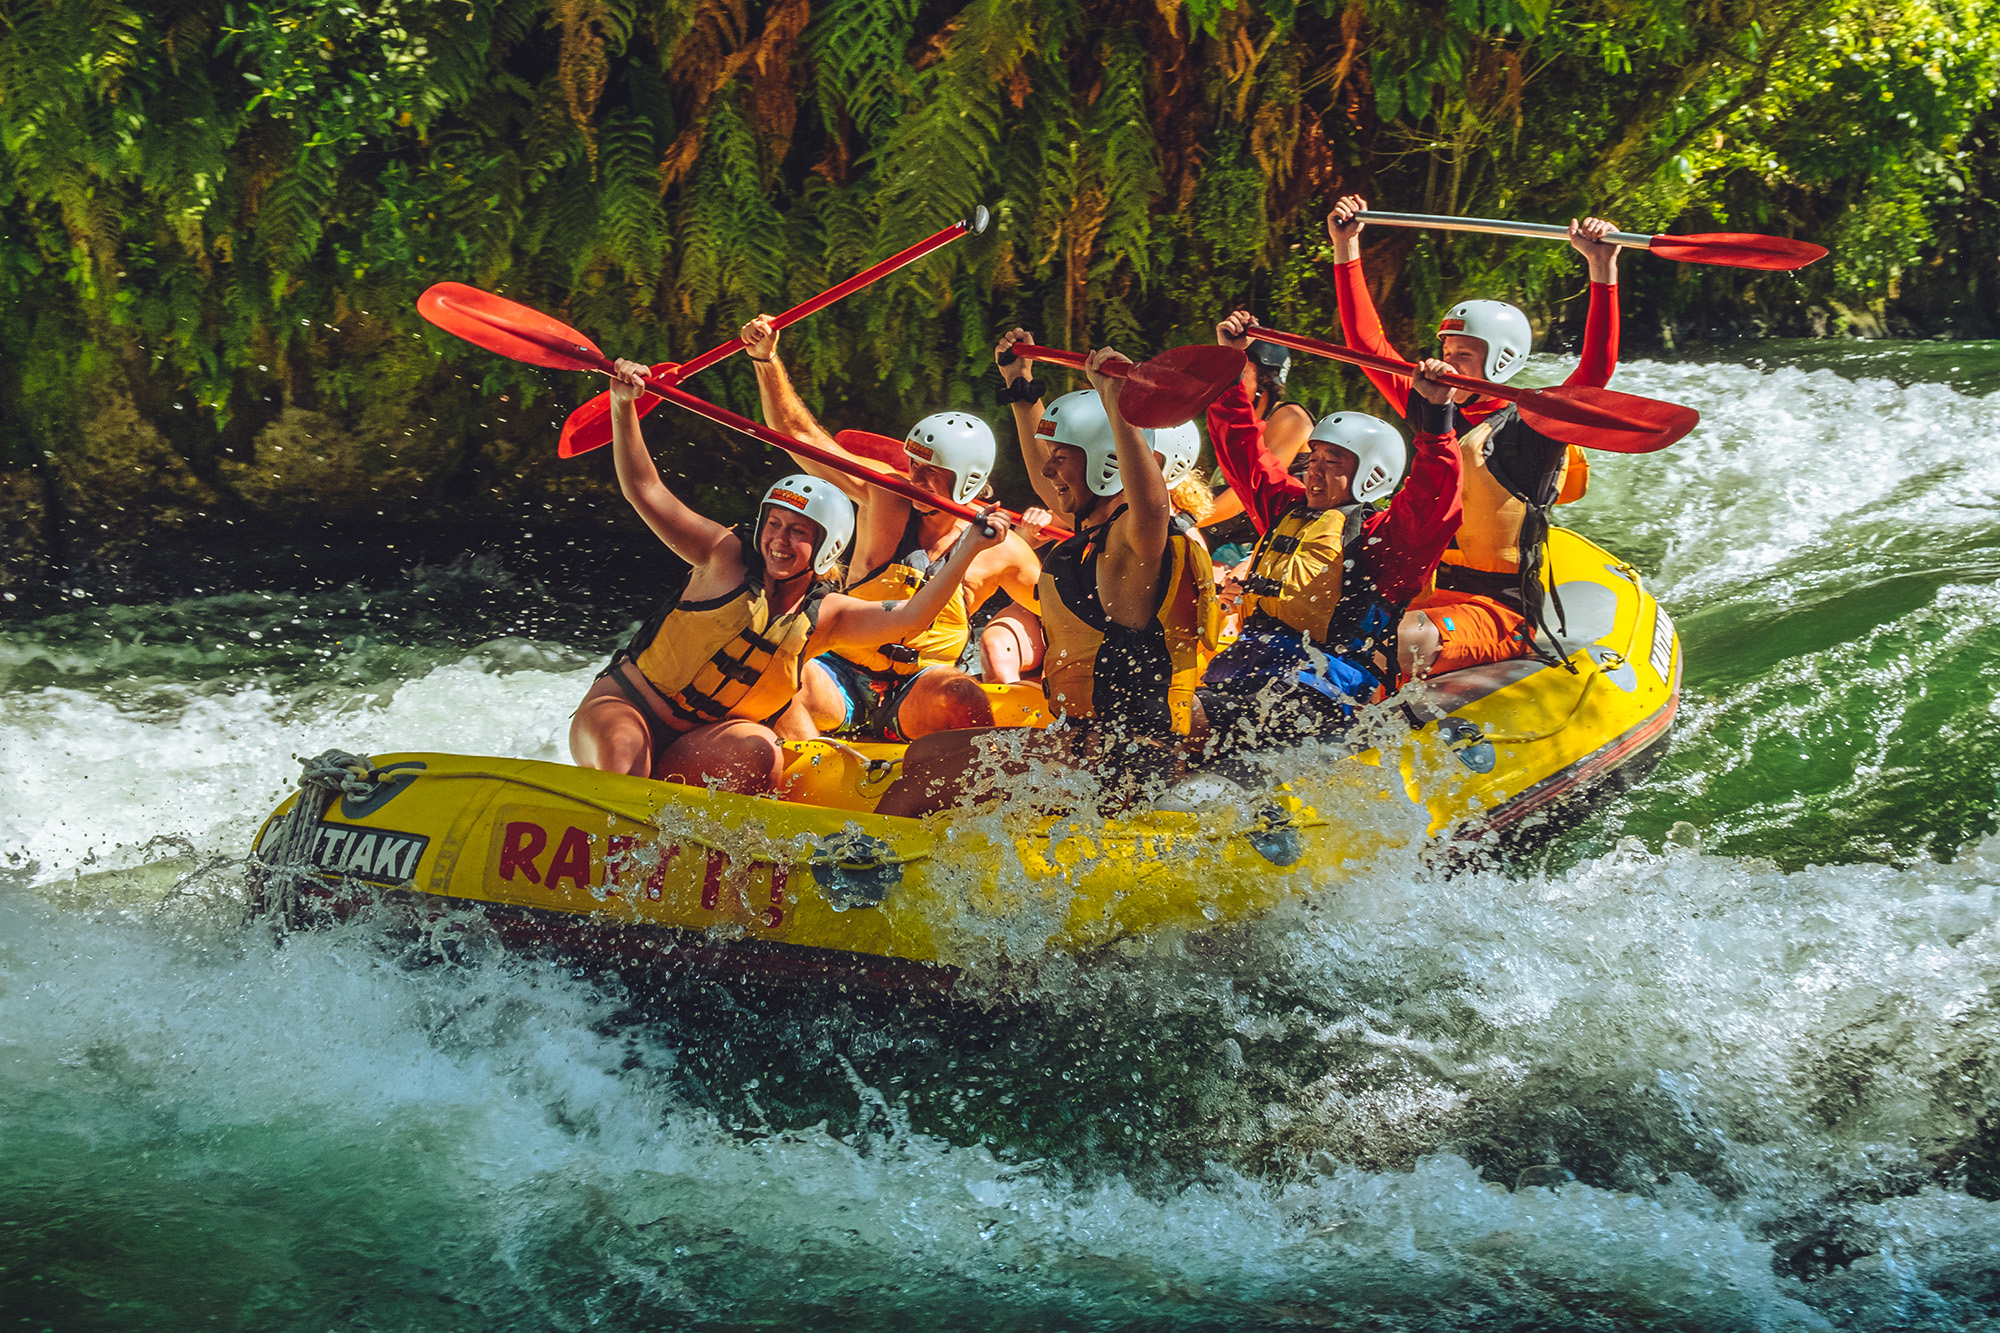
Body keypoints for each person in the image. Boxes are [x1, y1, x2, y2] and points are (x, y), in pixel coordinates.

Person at [570, 359, 1011, 794]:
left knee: (759, 753)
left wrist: (969, 547)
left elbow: (913, 617)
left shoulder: (827, 614)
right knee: (626, 752)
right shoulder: (723, 557)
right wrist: (623, 406)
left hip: (700, 738)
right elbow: (645, 490)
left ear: (828, 547)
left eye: (799, 532)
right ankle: (614, 809)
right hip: (632, 708)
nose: (778, 541)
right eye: (773, 524)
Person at [876, 345, 1217, 817]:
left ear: (1105, 462)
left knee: (913, 791)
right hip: (1083, 741)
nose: (1048, 469)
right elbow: (1046, 480)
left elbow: (1154, 507)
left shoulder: (1135, 540)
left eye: (1061, 457)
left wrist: (1116, 402)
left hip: (1124, 762)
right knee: (923, 753)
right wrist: (1021, 389)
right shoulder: (1093, 527)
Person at [1326, 194, 1623, 678]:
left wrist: (1602, 267)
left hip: (1498, 612)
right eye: (1446, 352)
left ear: (1501, 361)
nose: (1447, 364)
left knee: (1392, 637)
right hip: (1424, 593)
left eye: (1463, 356)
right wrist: (1346, 246)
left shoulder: (1530, 429)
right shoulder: (1432, 406)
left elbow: (1594, 374)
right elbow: (1366, 344)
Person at [735, 314, 1044, 739]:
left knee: (963, 697)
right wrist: (766, 359)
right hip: (840, 673)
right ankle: (809, 766)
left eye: (930, 471)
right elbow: (797, 434)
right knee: (776, 671)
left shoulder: (1002, 550)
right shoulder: (883, 495)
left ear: (968, 480)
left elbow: (1063, 611)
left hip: (921, 687)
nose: (914, 479)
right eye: (913, 464)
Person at [1196, 310, 1464, 748]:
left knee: (1173, 721)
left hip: (1317, 692)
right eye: (1313, 458)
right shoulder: (1288, 508)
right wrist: (1229, 366)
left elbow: (1434, 498)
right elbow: (1242, 450)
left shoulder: (1382, 541)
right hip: (1246, 671)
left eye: (1331, 462)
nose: (1313, 472)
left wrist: (1437, 417)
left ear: (1372, 476)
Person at [1201, 336, 1315, 541]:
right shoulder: (1248, 424)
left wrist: (1186, 520)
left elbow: (1253, 487)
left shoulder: (1290, 417)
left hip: (1278, 538)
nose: (1232, 379)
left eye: (1241, 371)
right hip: (1241, 536)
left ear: (1266, 377)